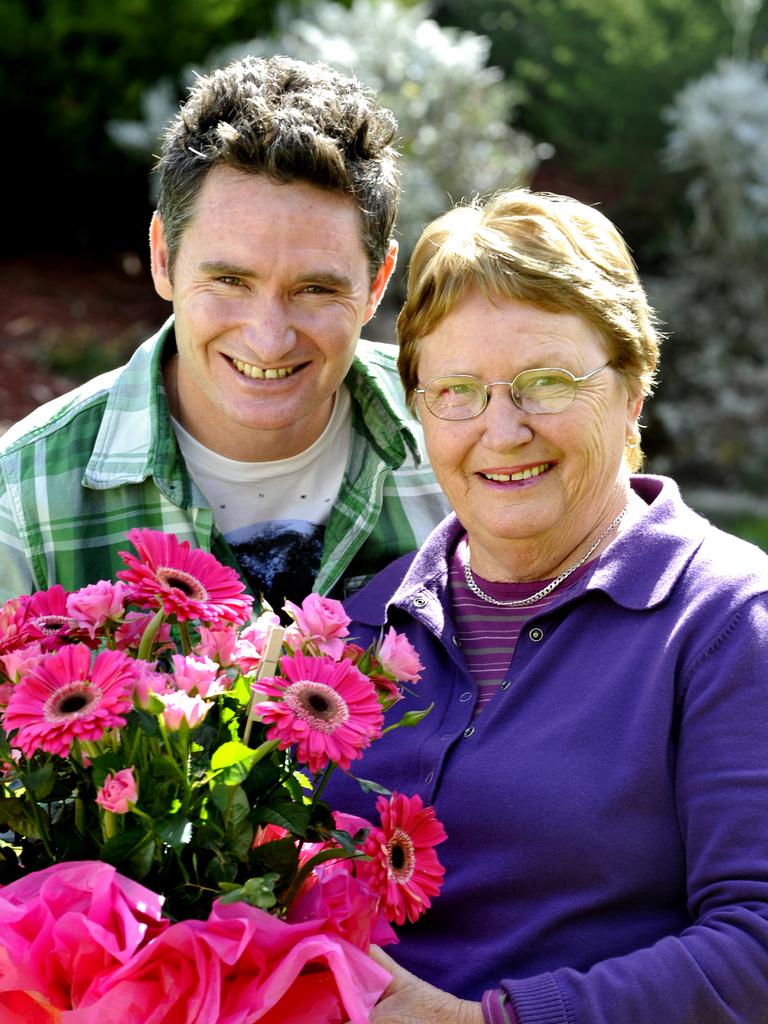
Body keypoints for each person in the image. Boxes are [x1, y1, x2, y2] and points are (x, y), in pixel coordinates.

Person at [327, 188, 768, 1024]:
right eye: (457, 390)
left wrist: (492, 1022)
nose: (503, 429)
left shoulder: (725, 621)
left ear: (634, 389)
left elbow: (759, 944)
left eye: (546, 382)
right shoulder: (368, 624)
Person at [0, 55, 448, 609]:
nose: (269, 338)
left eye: (315, 290)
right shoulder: (21, 497)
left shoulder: (462, 439)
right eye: (231, 280)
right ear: (163, 257)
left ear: (378, 283)